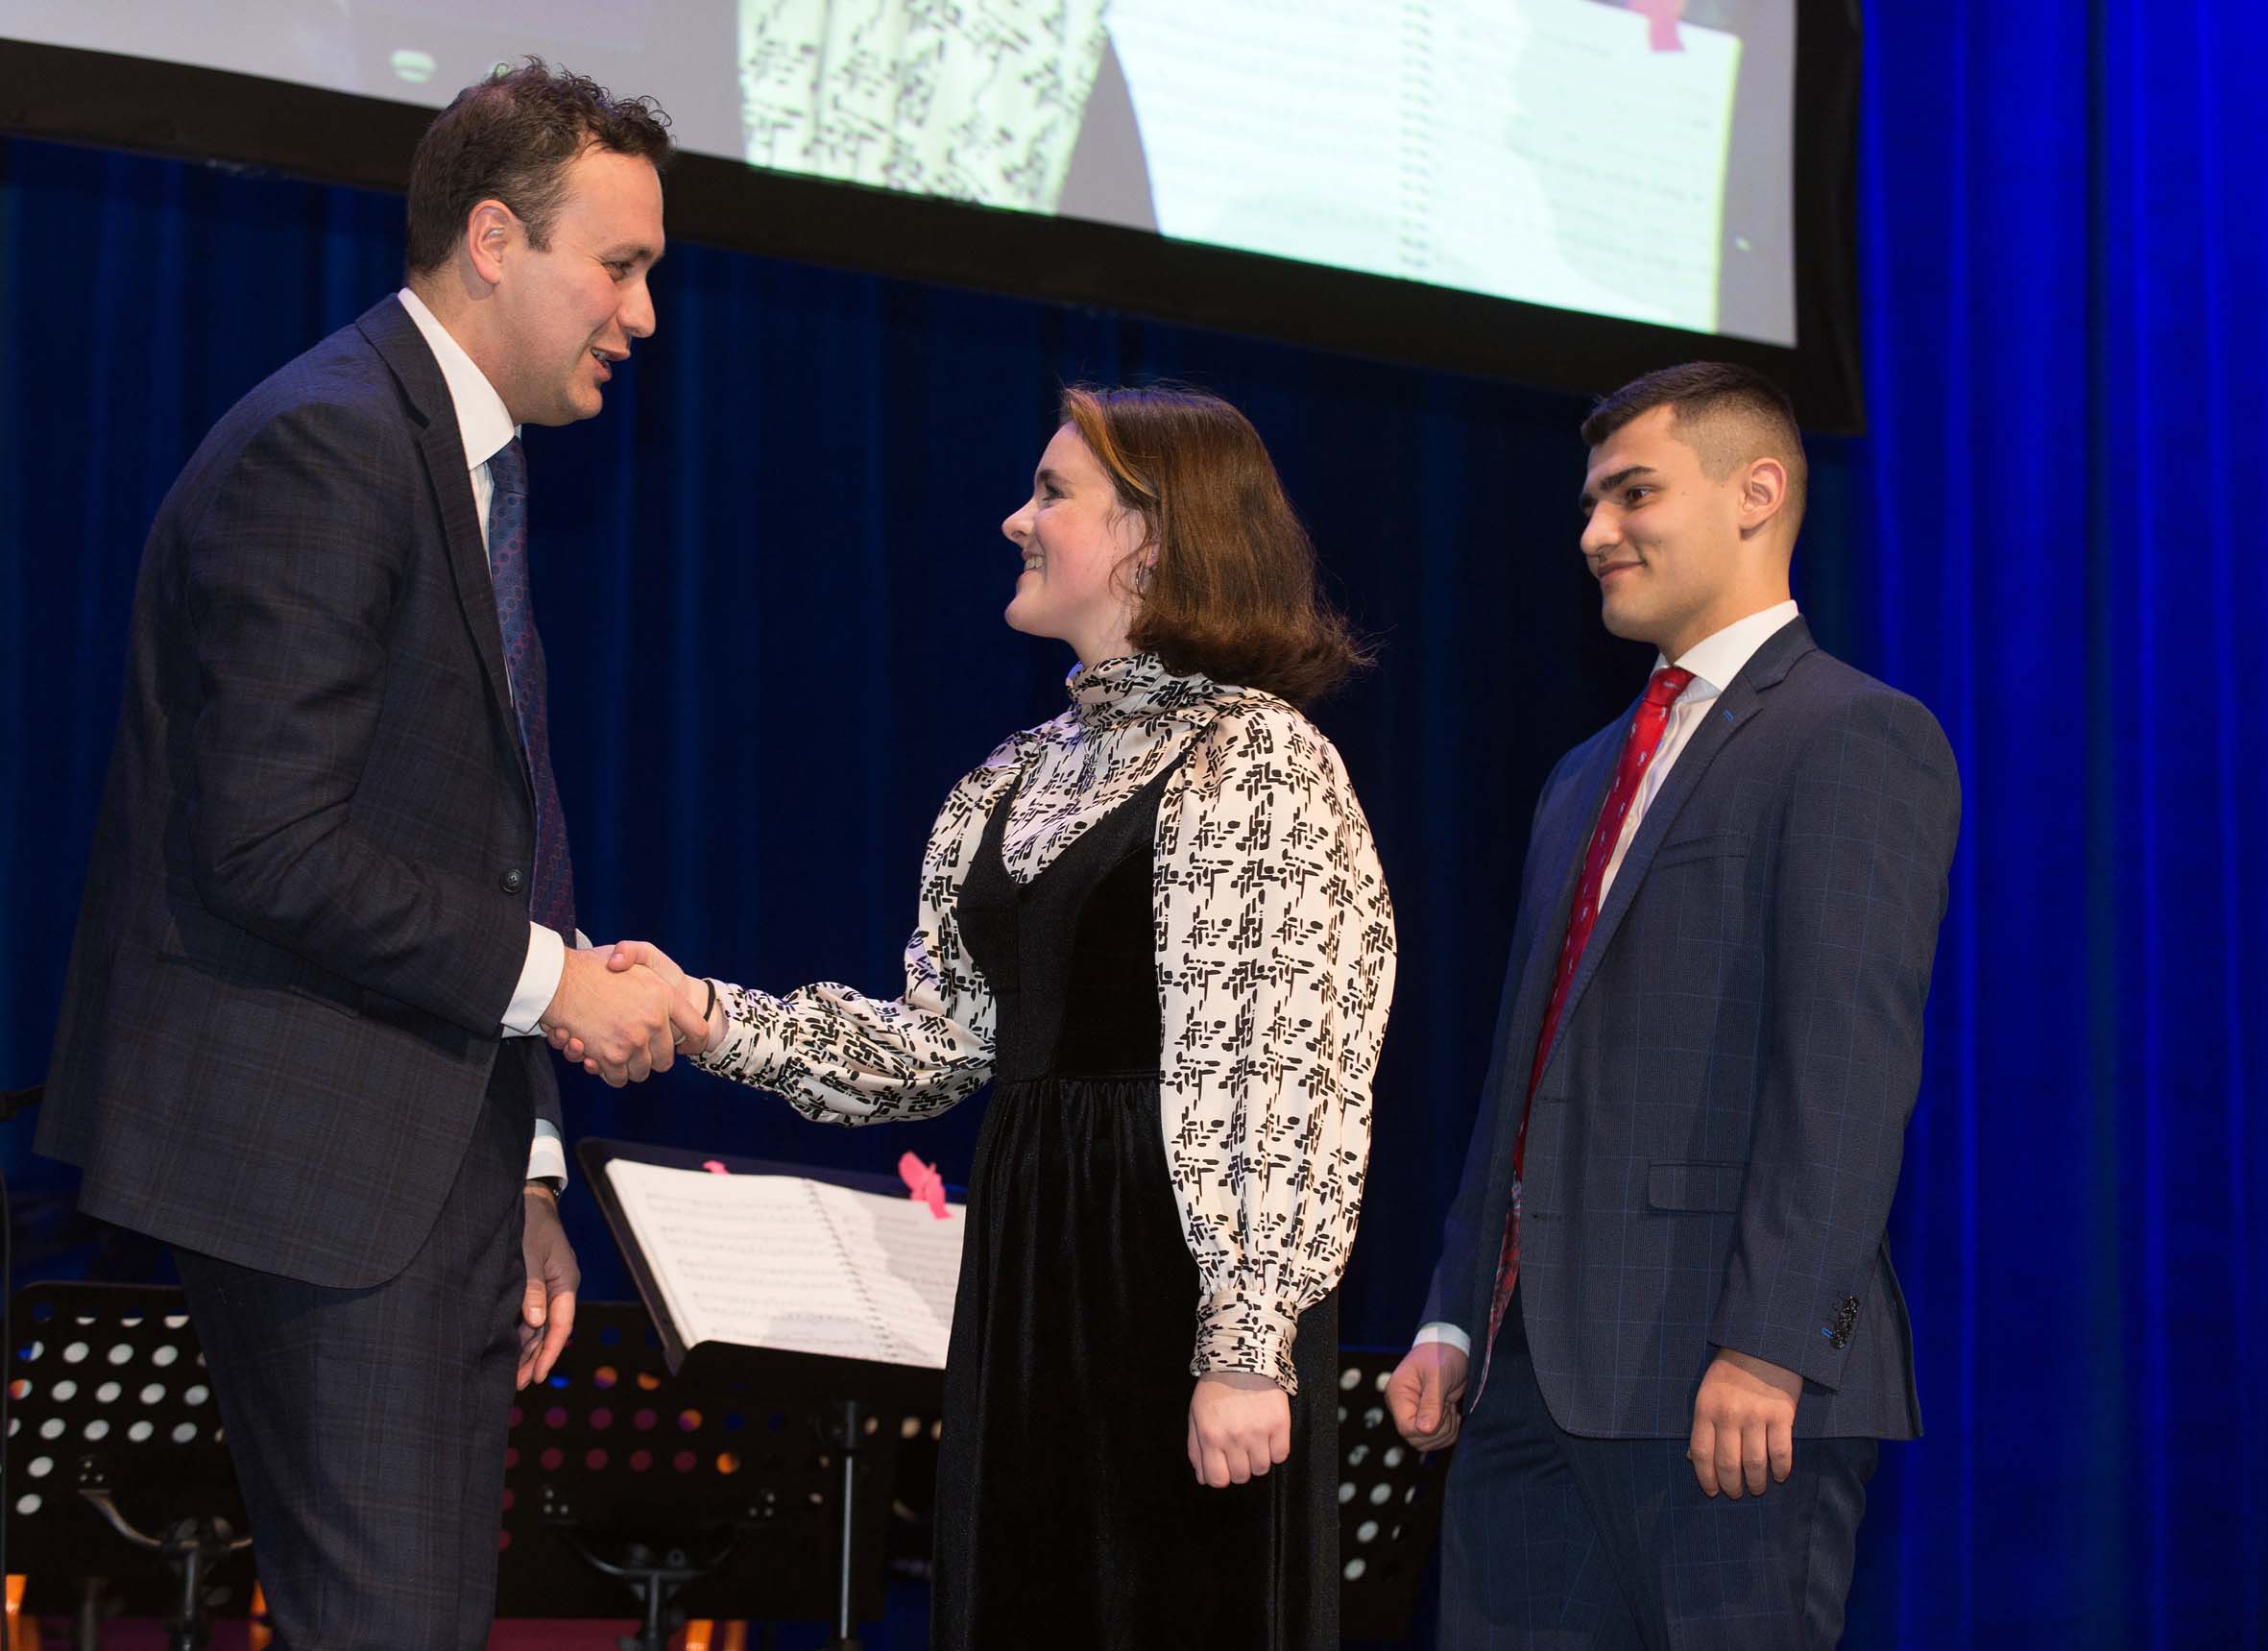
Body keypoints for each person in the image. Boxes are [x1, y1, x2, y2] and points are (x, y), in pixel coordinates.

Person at [36, 61, 704, 1649]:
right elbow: (268, 840)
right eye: (619, 265)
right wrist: (557, 993)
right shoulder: (332, 447)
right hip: (319, 1176)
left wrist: (527, 1168)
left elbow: (485, 839)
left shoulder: (461, 462)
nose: (643, 315)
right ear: (492, 238)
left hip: (421, 1171)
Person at [578, 386, 1397, 1649]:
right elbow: (934, 1050)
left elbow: (1284, 1077)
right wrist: (698, 1013)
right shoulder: (1010, 776)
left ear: (1152, 538)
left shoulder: (1260, 758)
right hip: (1030, 1270)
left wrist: (1242, 1341)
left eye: (1053, 494)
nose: (1016, 518)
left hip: (1169, 1274)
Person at [1386, 362, 1961, 1648]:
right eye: (1588, 504)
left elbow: (1847, 1067)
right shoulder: (1582, 771)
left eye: (1631, 494)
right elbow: (1523, 1076)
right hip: (1526, 1379)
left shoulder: (1853, 735)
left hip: (1718, 1372)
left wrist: (1769, 1344)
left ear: (1755, 493)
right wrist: (1449, 1309)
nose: (1594, 534)